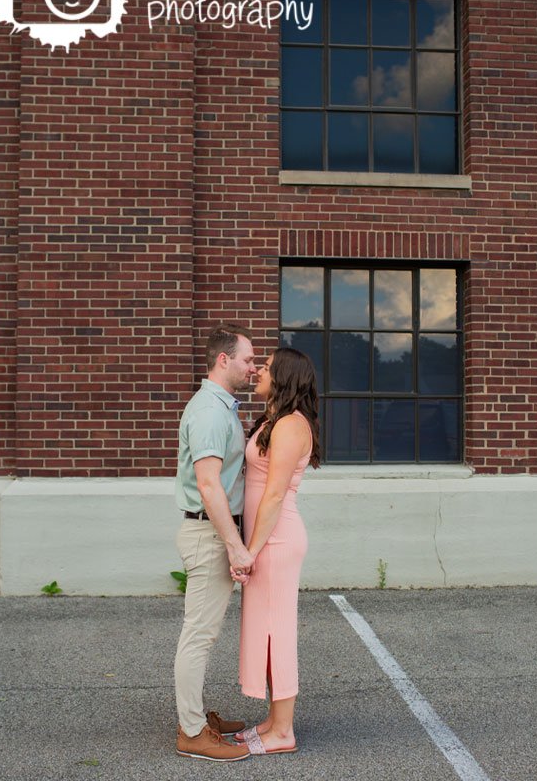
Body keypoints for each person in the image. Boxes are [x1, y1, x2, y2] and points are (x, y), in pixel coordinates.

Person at [174, 324, 256, 762]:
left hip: (212, 530)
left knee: (203, 632)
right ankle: (191, 732)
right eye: (247, 359)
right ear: (223, 360)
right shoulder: (208, 410)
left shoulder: (220, 406)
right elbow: (209, 486)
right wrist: (235, 545)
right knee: (199, 636)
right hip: (208, 532)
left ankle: (195, 718)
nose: (253, 367)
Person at [234, 347, 320, 756]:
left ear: (284, 377)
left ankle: (283, 731)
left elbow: (273, 497)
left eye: (266, 368)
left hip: (276, 539)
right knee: (266, 630)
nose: (258, 372)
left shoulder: (290, 426)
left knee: (277, 634)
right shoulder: (275, 420)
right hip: (265, 539)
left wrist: (249, 551)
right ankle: (273, 720)